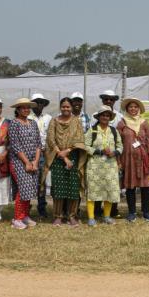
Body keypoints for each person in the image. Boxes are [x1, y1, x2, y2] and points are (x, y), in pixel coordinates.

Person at [45, 97, 86, 227]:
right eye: (63, 106)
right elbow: (51, 139)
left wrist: (67, 151)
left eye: (68, 106)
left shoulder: (76, 122)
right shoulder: (54, 121)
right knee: (58, 189)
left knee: (73, 188)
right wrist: (61, 154)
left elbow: (80, 139)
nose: (66, 109)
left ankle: (72, 216)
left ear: (71, 107)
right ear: (60, 107)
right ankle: (57, 216)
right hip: (57, 158)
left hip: (73, 157)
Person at [118, 97, 149, 222]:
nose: (133, 109)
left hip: (143, 159)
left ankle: (146, 212)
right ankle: (132, 212)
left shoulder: (144, 123)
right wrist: (119, 160)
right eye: (130, 107)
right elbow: (118, 141)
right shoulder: (122, 123)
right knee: (130, 186)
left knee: (145, 186)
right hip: (128, 159)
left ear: (139, 108)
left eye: (135, 107)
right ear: (127, 109)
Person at [85, 107, 123, 226]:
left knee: (109, 190)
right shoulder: (93, 130)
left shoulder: (113, 131)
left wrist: (115, 153)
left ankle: (106, 216)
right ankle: (91, 218)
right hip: (95, 165)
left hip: (110, 165)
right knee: (93, 191)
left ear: (110, 118)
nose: (105, 117)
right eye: (103, 115)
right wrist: (99, 151)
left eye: (107, 115)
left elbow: (120, 146)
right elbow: (85, 146)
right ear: (99, 117)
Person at [9, 98, 43, 230]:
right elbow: (15, 146)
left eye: (28, 107)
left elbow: (38, 144)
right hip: (19, 161)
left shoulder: (33, 123)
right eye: (23, 107)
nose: (26, 109)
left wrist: (35, 161)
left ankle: (25, 216)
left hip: (33, 161)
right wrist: (27, 162)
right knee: (22, 189)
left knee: (30, 189)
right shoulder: (14, 124)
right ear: (17, 109)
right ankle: (17, 218)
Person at [29, 93, 53, 219]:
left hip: (44, 153)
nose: (39, 105)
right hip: (30, 154)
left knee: (42, 181)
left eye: (41, 102)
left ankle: (42, 208)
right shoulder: (27, 117)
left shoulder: (49, 118)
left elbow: (51, 135)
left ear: (44, 104)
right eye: (36, 102)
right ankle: (26, 207)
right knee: (28, 180)